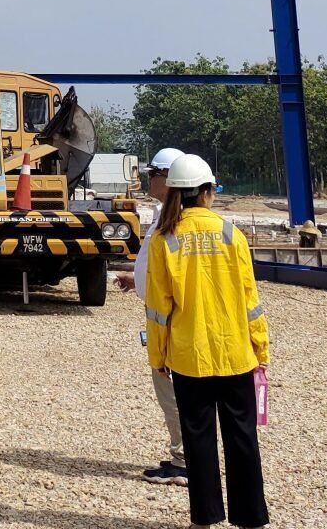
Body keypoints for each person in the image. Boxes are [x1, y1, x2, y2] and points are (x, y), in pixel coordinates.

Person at [145, 153, 270, 529]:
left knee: (198, 440)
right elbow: (250, 300)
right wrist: (261, 348)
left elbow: (158, 308)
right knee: (242, 438)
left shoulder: (165, 239)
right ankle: (251, 519)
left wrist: (158, 356)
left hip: (190, 357)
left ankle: (204, 519)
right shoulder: (232, 234)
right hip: (235, 354)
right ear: (205, 192)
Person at [115, 146, 188, 486]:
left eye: (154, 174)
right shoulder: (164, 215)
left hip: (172, 321)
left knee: (173, 391)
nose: (149, 180)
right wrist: (138, 280)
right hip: (162, 318)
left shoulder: (178, 221)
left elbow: (177, 274)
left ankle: (185, 460)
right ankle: (183, 454)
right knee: (169, 390)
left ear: (169, 178)